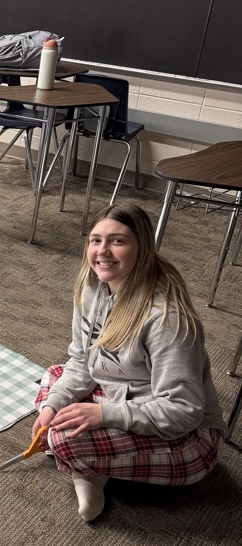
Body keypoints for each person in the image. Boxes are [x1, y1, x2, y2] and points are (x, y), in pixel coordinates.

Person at [32, 200, 225, 523]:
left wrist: (105, 413)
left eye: (117, 241)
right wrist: (53, 406)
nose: (103, 250)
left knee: (62, 440)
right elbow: (80, 361)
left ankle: (90, 469)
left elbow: (184, 410)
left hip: (188, 438)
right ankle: (96, 469)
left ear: (142, 248)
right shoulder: (91, 288)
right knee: (54, 381)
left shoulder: (166, 319)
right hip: (121, 393)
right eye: (96, 240)